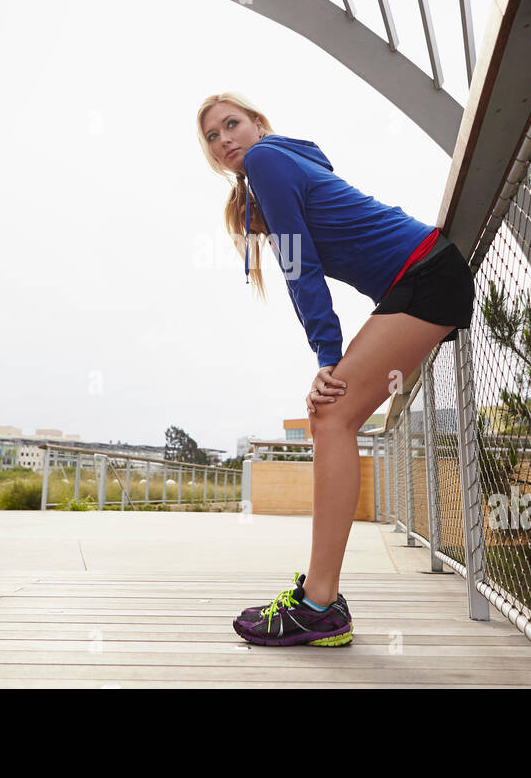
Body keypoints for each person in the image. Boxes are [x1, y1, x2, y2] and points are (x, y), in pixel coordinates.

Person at [197, 91, 476, 647]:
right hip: (422, 277)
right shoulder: (280, 165)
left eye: (232, 124)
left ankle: (320, 604)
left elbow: (301, 266)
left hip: (424, 274)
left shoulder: (266, 160)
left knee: (330, 416)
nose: (224, 139)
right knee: (331, 417)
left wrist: (328, 358)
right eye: (211, 136)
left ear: (257, 124)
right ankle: (319, 598)